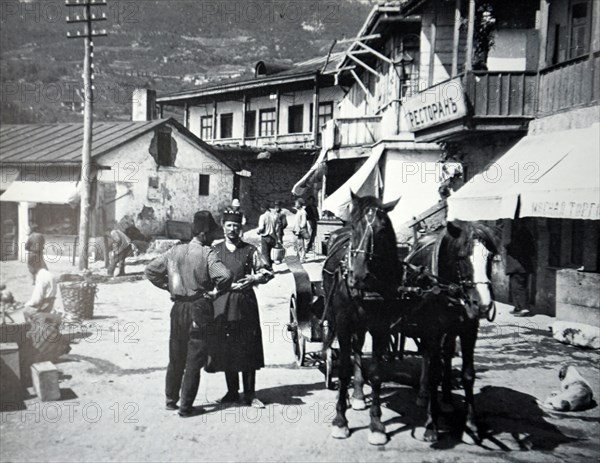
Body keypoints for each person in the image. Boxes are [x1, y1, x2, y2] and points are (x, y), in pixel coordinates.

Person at [145, 211, 233, 416]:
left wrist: (170, 286)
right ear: (203, 233)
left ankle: (170, 399)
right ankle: (186, 407)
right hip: (199, 307)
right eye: (211, 233)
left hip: (177, 309)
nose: (213, 237)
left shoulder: (173, 252)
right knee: (194, 359)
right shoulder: (207, 253)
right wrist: (214, 291)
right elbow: (225, 275)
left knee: (176, 356)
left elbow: (150, 271)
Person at [208, 208, 273, 408]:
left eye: (236, 225)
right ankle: (232, 392)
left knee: (247, 345)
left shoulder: (250, 250)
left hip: (245, 304)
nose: (232, 229)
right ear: (223, 226)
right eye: (229, 225)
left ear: (241, 228)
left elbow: (267, 272)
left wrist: (254, 278)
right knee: (227, 346)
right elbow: (205, 275)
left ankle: (250, 394)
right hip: (222, 304)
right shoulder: (214, 250)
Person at [505, 220, 535, 317]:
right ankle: (518, 306)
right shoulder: (524, 233)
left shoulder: (522, 233)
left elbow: (518, 249)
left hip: (519, 266)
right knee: (516, 287)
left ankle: (524, 308)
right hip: (519, 266)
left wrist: (508, 246)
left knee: (519, 287)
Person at [257, 203, 277, 269]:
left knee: (265, 254)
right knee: (271, 253)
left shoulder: (262, 216)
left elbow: (261, 228)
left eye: (261, 208)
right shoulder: (273, 215)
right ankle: (271, 266)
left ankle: (268, 268)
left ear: (264, 208)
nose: (260, 209)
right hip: (273, 237)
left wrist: (258, 232)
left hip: (265, 237)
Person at [292, 198, 311, 263]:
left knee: (301, 245)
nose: (295, 205)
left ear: (300, 204)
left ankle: (302, 258)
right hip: (297, 230)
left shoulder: (303, 212)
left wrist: (299, 229)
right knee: (298, 244)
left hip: (300, 230)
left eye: (296, 204)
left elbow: (303, 222)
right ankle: (300, 256)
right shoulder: (299, 211)